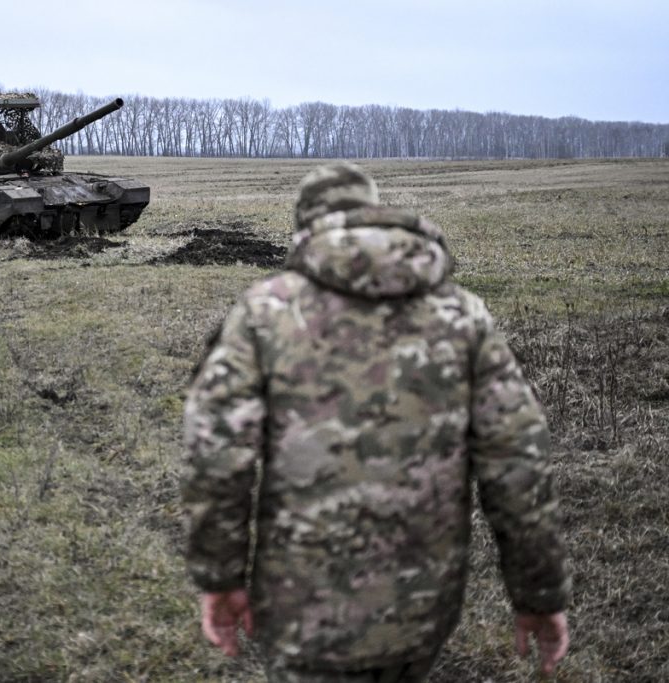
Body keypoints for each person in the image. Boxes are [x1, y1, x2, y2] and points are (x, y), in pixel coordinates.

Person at [182, 163, 570, 682]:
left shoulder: (264, 313)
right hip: (422, 607)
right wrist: (538, 594)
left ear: (306, 227)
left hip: (301, 603)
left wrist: (220, 578)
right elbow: (519, 465)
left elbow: (216, 455)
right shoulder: (461, 314)